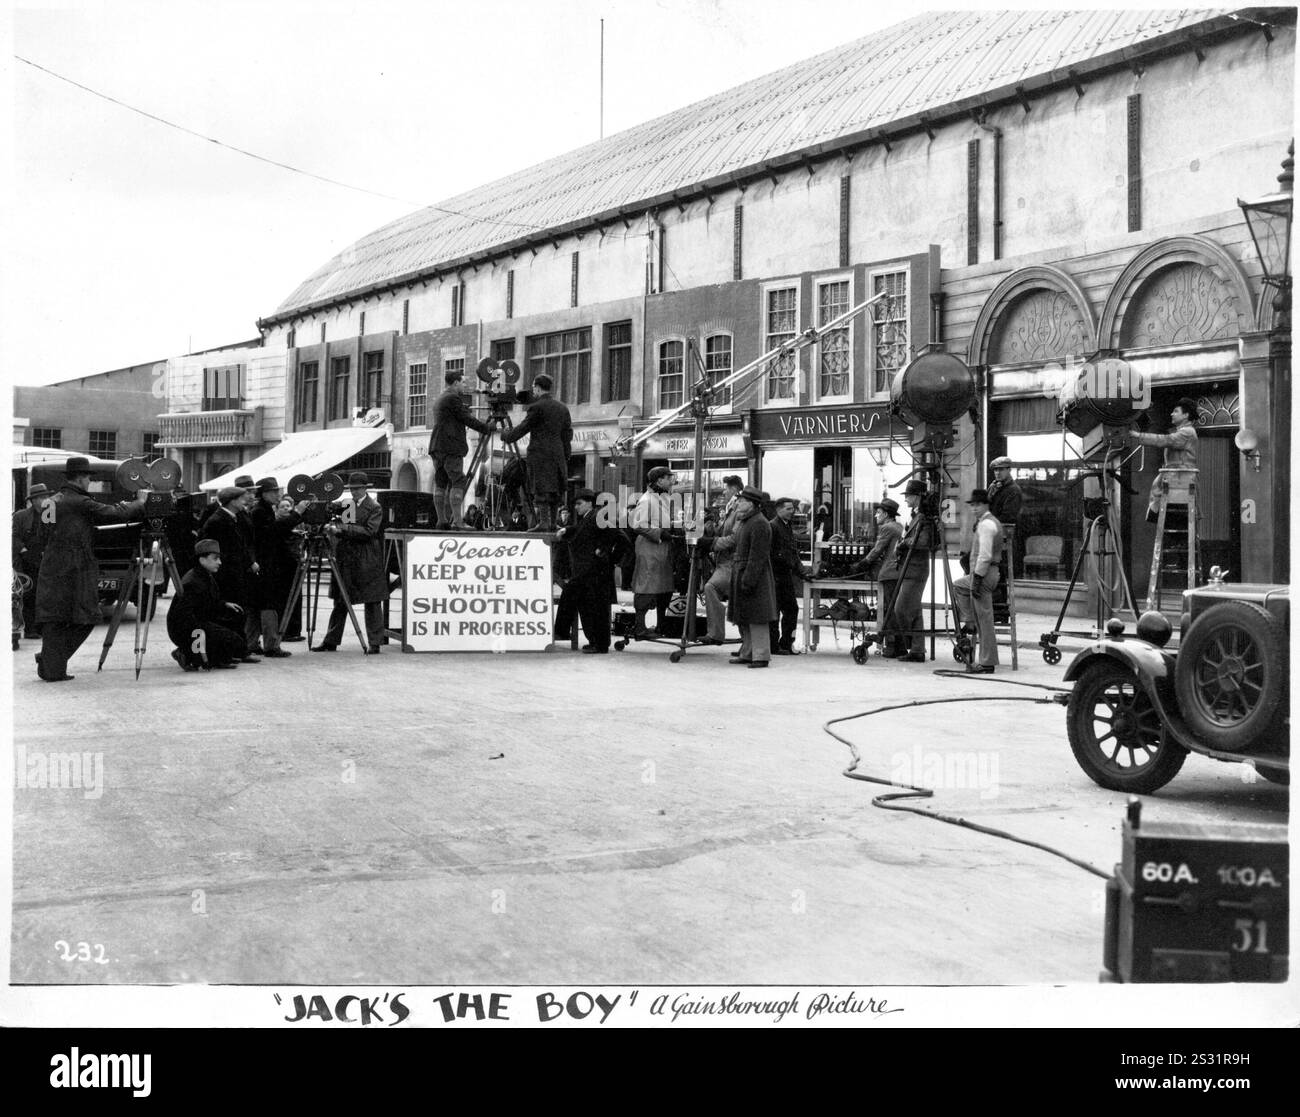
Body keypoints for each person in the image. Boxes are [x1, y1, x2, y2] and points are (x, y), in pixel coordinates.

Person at [35, 456, 146, 682]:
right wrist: (140, 503)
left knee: (54, 618)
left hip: (52, 565)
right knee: (88, 616)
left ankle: (50, 664)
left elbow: (42, 534)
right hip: (76, 566)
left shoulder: (51, 501)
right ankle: (51, 663)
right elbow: (115, 513)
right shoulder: (80, 502)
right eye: (87, 478)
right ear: (81, 478)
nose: (88, 483)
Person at [315, 472, 387, 653]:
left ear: (365, 488)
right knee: (341, 600)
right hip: (348, 556)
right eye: (352, 489)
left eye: (357, 489)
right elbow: (349, 529)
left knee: (372, 601)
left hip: (366, 558)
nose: (354, 492)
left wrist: (341, 529)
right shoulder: (349, 504)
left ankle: (375, 642)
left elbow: (369, 531)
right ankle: (331, 640)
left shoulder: (374, 507)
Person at [500, 373, 573, 532]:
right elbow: (567, 435)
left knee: (541, 490)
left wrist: (506, 435)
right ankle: (553, 522)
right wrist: (566, 455)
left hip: (540, 455)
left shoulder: (537, 407)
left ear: (538, 388)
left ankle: (544, 522)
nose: (532, 390)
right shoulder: (562, 408)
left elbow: (522, 429)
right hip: (558, 454)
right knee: (554, 490)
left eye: (534, 387)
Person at [558, 488, 625, 653]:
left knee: (594, 609)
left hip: (594, 574)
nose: (576, 507)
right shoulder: (589, 517)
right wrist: (567, 530)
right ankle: (591, 640)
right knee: (587, 607)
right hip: (589, 573)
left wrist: (604, 552)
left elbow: (618, 536)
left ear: (589, 503)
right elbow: (583, 531)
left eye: (579, 504)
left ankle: (594, 642)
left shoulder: (598, 516)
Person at [198, 485, 261, 662]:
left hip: (235, 573)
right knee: (232, 613)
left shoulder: (230, 518)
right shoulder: (219, 521)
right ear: (232, 501)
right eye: (241, 498)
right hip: (227, 575)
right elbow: (225, 549)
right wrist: (247, 563)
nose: (244, 501)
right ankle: (233, 652)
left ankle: (236, 651)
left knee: (237, 613)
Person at [166, 539, 248, 671]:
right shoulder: (193, 582)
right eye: (215, 558)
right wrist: (199, 642)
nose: (219, 562)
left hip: (199, 621)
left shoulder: (203, 575)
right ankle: (186, 654)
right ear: (202, 560)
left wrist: (224, 605)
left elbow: (207, 602)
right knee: (230, 639)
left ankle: (217, 658)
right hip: (186, 629)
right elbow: (183, 616)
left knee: (234, 621)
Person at [429, 368, 495, 530]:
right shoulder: (453, 398)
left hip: (437, 446)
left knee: (441, 482)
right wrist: (486, 427)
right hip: (451, 447)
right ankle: (458, 522)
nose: (465, 385)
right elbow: (466, 418)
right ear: (456, 382)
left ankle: (442, 520)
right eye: (463, 382)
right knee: (458, 481)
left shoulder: (441, 398)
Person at [880, 479, 936, 663]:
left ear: (918, 497)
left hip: (916, 570)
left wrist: (904, 543)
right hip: (910, 568)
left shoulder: (923, 518)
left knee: (901, 609)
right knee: (915, 611)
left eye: (909, 496)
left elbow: (924, 543)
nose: (906, 500)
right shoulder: (916, 516)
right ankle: (918, 650)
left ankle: (910, 644)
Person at [249, 478, 306, 657]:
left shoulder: (262, 510)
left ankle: (252, 643)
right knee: (269, 604)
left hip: (264, 562)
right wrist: (296, 514)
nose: (278, 495)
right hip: (266, 563)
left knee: (258, 604)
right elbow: (273, 531)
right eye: (274, 492)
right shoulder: (260, 512)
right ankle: (271, 644)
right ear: (264, 493)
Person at [1122, 397, 1200, 522]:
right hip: (1178, 475)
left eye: (1176, 411)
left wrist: (1138, 435)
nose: (1172, 414)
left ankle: (1155, 513)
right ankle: (1157, 513)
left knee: (1158, 488)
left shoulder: (1187, 432)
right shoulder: (1184, 431)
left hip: (1181, 477)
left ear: (1186, 415)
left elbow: (1166, 440)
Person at [952, 489, 1003, 674]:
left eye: (977, 505)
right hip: (987, 573)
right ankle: (970, 620)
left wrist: (977, 578)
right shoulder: (986, 522)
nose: (974, 508)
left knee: (985, 620)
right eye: (972, 505)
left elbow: (985, 555)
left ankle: (987, 662)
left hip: (985, 573)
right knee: (959, 585)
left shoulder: (986, 525)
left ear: (985, 505)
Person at [728, 485, 776, 668]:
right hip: (744, 571)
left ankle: (761, 656)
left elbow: (758, 556)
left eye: (742, 501)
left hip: (754, 575)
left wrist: (748, 579)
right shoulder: (747, 521)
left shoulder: (759, 523)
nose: (738, 503)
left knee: (757, 617)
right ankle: (748, 653)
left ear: (752, 504)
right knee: (745, 617)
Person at [847, 498, 903, 647]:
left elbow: (877, 550)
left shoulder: (887, 528)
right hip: (897, 572)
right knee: (893, 608)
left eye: (878, 513)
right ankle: (896, 645)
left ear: (885, 514)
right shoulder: (898, 526)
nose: (875, 516)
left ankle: (892, 646)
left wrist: (861, 564)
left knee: (888, 609)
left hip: (889, 572)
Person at [630, 466, 676, 638]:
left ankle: (660, 625)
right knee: (646, 587)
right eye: (668, 477)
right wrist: (660, 533)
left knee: (663, 588)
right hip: (650, 549)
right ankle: (640, 628)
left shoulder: (661, 498)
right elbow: (638, 525)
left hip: (661, 549)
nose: (672, 481)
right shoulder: (647, 499)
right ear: (659, 480)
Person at [701, 475, 743, 645]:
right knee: (734, 597)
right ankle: (743, 637)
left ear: (734, 489)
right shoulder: (730, 507)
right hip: (723, 561)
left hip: (731, 562)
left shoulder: (739, 508)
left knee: (711, 588)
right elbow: (722, 531)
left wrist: (712, 544)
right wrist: (709, 524)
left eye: (726, 488)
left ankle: (716, 633)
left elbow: (735, 538)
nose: (724, 492)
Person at [768, 497, 811, 655]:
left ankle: (786, 642)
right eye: (788, 509)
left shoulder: (787, 526)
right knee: (775, 612)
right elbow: (774, 554)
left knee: (791, 609)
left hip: (785, 575)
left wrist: (802, 572)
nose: (792, 511)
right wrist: (796, 568)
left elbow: (793, 552)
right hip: (775, 575)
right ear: (778, 510)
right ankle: (775, 645)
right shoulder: (773, 527)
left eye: (792, 509)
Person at [13, 483, 52, 640]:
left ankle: (42, 628)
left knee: (45, 595)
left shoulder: (50, 515)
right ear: (33, 500)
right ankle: (30, 629)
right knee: (28, 594)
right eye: (41, 497)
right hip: (26, 560)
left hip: (44, 559)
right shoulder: (21, 516)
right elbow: (13, 536)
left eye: (46, 497)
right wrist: (23, 551)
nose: (45, 500)